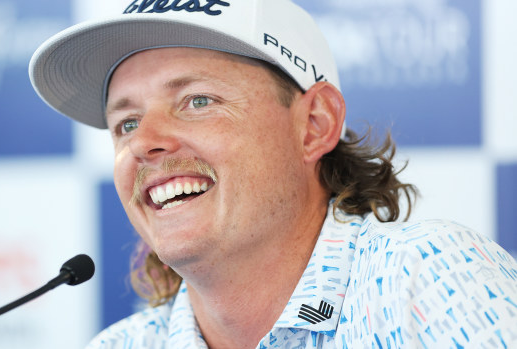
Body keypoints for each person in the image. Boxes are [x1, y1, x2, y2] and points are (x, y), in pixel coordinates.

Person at [29, 0, 517, 348]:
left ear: (314, 125)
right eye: (126, 123)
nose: (143, 141)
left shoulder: (425, 277)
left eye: (198, 100)